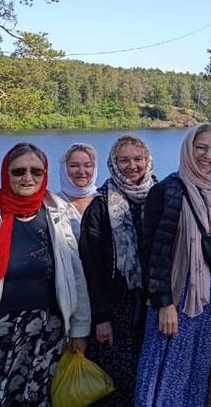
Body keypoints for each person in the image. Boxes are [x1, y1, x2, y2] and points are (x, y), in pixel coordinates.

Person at [0, 143, 90, 406]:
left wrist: (79, 330)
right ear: (6, 174)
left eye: (36, 171)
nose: (28, 178)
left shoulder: (59, 217)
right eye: (19, 171)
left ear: (45, 174)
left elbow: (76, 280)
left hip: (47, 335)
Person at [135, 124, 211, 407]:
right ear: (188, 149)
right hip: (175, 295)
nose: (208, 155)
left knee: (197, 367)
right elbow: (152, 252)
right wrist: (163, 302)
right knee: (163, 368)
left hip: (210, 296)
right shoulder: (166, 190)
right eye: (201, 148)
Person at [78, 135, 155, 406]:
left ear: (147, 161)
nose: (132, 166)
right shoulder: (100, 205)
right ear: (113, 163)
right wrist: (100, 317)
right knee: (116, 385)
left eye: (138, 159)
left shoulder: (160, 196)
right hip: (116, 309)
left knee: (148, 379)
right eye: (124, 160)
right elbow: (91, 267)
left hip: (152, 305)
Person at [56, 142, 100, 239]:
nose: (81, 171)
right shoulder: (53, 204)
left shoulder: (105, 200)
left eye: (87, 165)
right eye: (74, 166)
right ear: (64, 168)